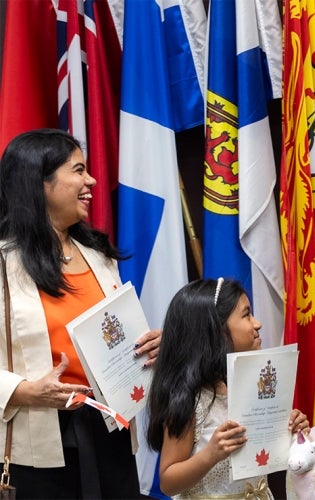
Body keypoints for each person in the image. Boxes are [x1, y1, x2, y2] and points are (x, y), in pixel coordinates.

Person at [0, 128, 161, 498]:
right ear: (39, 183)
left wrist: (150, 346)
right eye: (78, 170)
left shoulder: (100, 256)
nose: (91, 180)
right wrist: (23, 391)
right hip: (37, 447)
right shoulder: (4, 264)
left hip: (110, 430)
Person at [147, 278, 310, 498]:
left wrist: (290, 432)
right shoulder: (191, 400)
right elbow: (168, 481)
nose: (257, 324)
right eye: (246, 315)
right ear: (217, 329)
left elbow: (265, 454)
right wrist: (210, 455)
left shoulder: (254, 386)